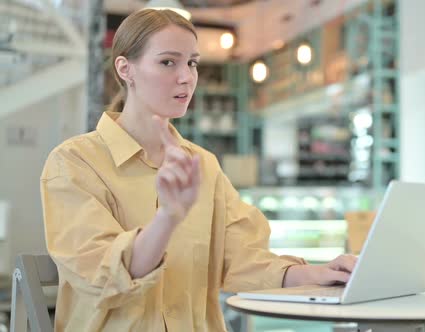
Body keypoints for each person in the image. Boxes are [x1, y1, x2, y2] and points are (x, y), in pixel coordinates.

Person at [40, 8, 357, 332]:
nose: (186, 76)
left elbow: (243, 260)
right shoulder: (74, 162)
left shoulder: (203, 164)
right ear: (126, 69)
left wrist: (319, 273)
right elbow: (102, 274)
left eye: (192, 62)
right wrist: (168, 218)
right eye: (168, 62)